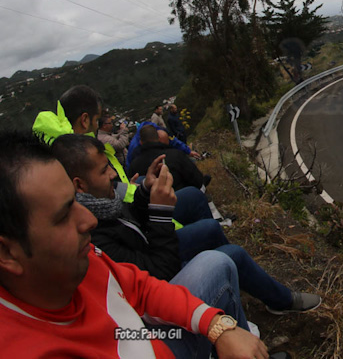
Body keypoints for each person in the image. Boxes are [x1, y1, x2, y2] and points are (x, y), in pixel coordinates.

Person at [0, 130, 271, 358]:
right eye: (63, 215)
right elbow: (160, 269)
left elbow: (140, 288)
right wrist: (161, 213)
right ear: (6, 252)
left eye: (75, 202)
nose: (88, 221)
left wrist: (216, 326)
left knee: (217, 258)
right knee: (221, 257)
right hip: (142, 331)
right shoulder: (26, 347)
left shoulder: (84, 260)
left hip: (132, 333)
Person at [51, 133, 322, 317]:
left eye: (109, 165)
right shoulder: (88, 232)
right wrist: (159, 212)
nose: (113, 174)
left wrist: (146, 190)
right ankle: (279, 302)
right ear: (79, 184)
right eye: (103, 171)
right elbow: (158, 273)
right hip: (155, 292)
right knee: (230, 256)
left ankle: (231, 285)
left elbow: (131, 223)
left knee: (209, 227)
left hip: (151, 251)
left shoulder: (97, 203)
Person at [128, 126, 208, 191]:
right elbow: (197, 180)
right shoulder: (176, 155)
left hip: (153, 207)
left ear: (140, 142)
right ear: (158, 138)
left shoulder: (134, 165)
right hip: (182, 200)